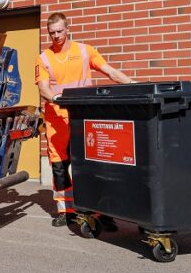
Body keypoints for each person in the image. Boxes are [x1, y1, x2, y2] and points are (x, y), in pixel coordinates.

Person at [36, 12, 133, 227]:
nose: (56, 36)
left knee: (93, 163)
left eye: (60, 31)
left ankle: (101, 210)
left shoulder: (84, 51)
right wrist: (58, 99)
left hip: (83, 118)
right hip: (57, 120)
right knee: (60, 165)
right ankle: (66, 210)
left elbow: (110, 71)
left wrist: (134, 85)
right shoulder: (44, 58)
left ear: (68, 28)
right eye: (52, 33)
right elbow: (44, 88)